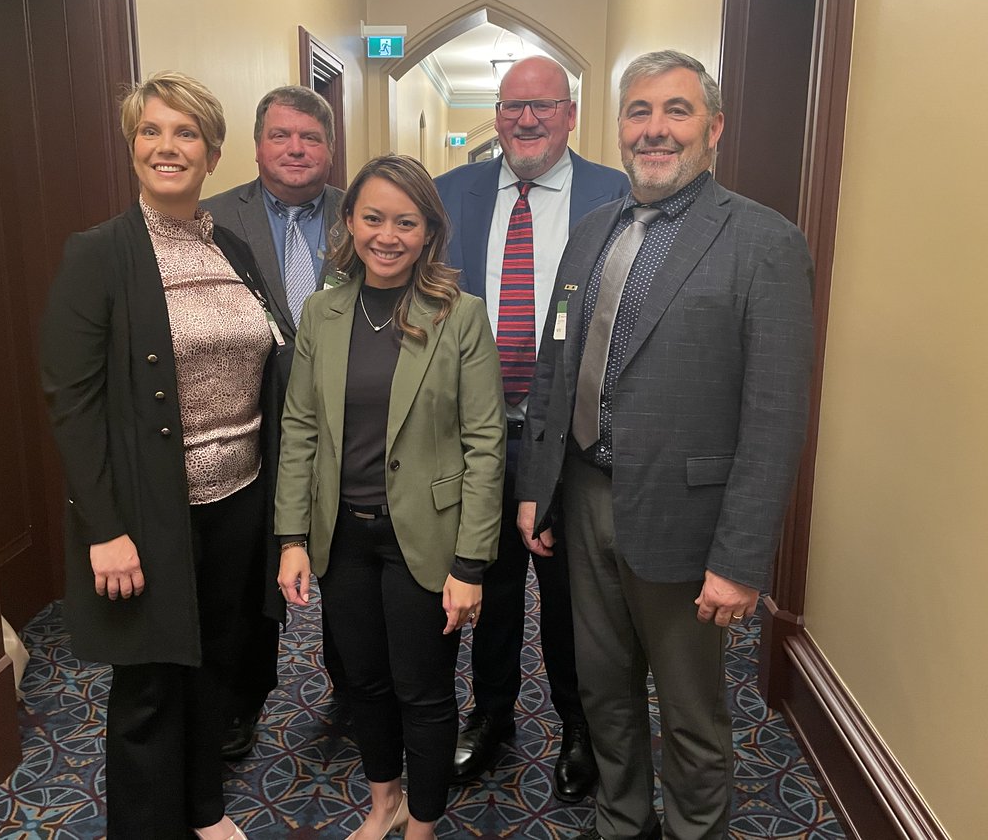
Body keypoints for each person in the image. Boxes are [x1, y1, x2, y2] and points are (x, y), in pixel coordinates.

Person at [516, 50, 815, 840]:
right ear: (619, 128)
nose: (655, 129)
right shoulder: (592, 232)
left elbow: (776, 416)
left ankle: (694, 830)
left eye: (676, 111)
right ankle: (621, 820)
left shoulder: (764, 243)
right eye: (639, 111)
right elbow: (556, 365)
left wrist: (741, 560)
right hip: (584, 496)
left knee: (690, 712)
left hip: (688, 520)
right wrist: (538, 488)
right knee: (603, 690)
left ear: (713, 128)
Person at [40, 71, 282, 840]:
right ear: (132, 145)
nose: (166, 146)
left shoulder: (230, 246)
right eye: (150, 131)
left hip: (238, 499)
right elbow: (72, 404)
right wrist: (105, 528)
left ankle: (203, 807)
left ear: (212, 153)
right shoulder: (99, 254)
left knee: (215, 663)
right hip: (150, 514)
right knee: (148, 686)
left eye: (185, 133)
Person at [275, 155, 506, 840]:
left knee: (422, 690)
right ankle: (385, 803)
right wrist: (292, 538)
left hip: (426, 537)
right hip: (342, 535)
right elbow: (300, 427)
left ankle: (423, 825)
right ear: (349, 221)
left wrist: (470, 564)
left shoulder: (461, 316)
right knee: (365, 684)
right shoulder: (321, 312)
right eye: (373, 218)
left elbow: (485, 443)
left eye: (406, 222)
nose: (387, 235)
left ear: (429, 231)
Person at [434, 55, 628, 802]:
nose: (526, 119)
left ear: (570, 114)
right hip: (477, 435)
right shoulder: (449, 195)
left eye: (543, 105)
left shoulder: (616, 194)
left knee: (575, 594)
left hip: (573, 439)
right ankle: (491, 715)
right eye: (512, 105)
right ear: (496, 115)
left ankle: (580, 725)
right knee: (488, 585)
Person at [204, 85, 347, 758]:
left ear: (330, 148)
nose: (296, 149)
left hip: (348, 424)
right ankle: (242, 700)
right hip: (246, 422)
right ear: (257, 145)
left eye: (310, 137)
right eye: (281, 135)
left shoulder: (362, 213)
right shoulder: (209, 220)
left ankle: (353, 685)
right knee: (250, 571)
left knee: (349, 562)